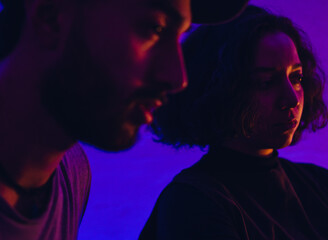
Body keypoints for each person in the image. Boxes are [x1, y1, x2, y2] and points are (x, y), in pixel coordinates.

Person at [0, 0, 248, 239]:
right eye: (156, 29)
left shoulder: (71, 171)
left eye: (180, 36)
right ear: (51, 18)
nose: (177, 77)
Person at [139, 5, 328, 240]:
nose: (291, 98)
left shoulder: (323, 187)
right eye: (266, 82)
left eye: (296, 78)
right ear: (221, 90)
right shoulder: (192, 201)